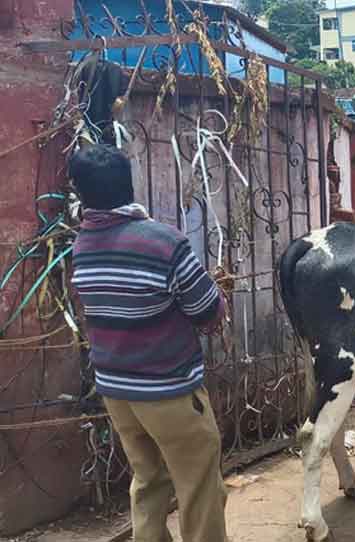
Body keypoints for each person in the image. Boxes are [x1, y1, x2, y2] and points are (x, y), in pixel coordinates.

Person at [69, 145, 229, 541]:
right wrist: (216, 294)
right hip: (167, 390)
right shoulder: (163, 243)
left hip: (117, 391)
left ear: (83, 194)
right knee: (199, 485)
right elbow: (207, 309)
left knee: (148, 481)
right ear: (129, 186)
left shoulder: (82, 248)